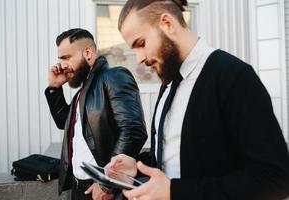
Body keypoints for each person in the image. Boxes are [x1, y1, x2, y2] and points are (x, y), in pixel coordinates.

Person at [106, 0, 289, 199]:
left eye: (141, 44)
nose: (139, 58)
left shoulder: (233, 77)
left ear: (167, 23)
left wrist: (175, 192)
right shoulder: (168, 83)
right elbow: (178, 155)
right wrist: (138, 167)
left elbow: (275, 179)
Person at [45, 28, 147, 200]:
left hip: (103, 188)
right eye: (60, 59)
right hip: (79, 187)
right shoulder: (82, 92)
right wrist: (54, 88)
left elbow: (133, 130)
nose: (62, 65)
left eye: (66, 57)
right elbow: (65, 123)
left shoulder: (113, 77)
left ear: (88, 53)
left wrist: (107, 183)